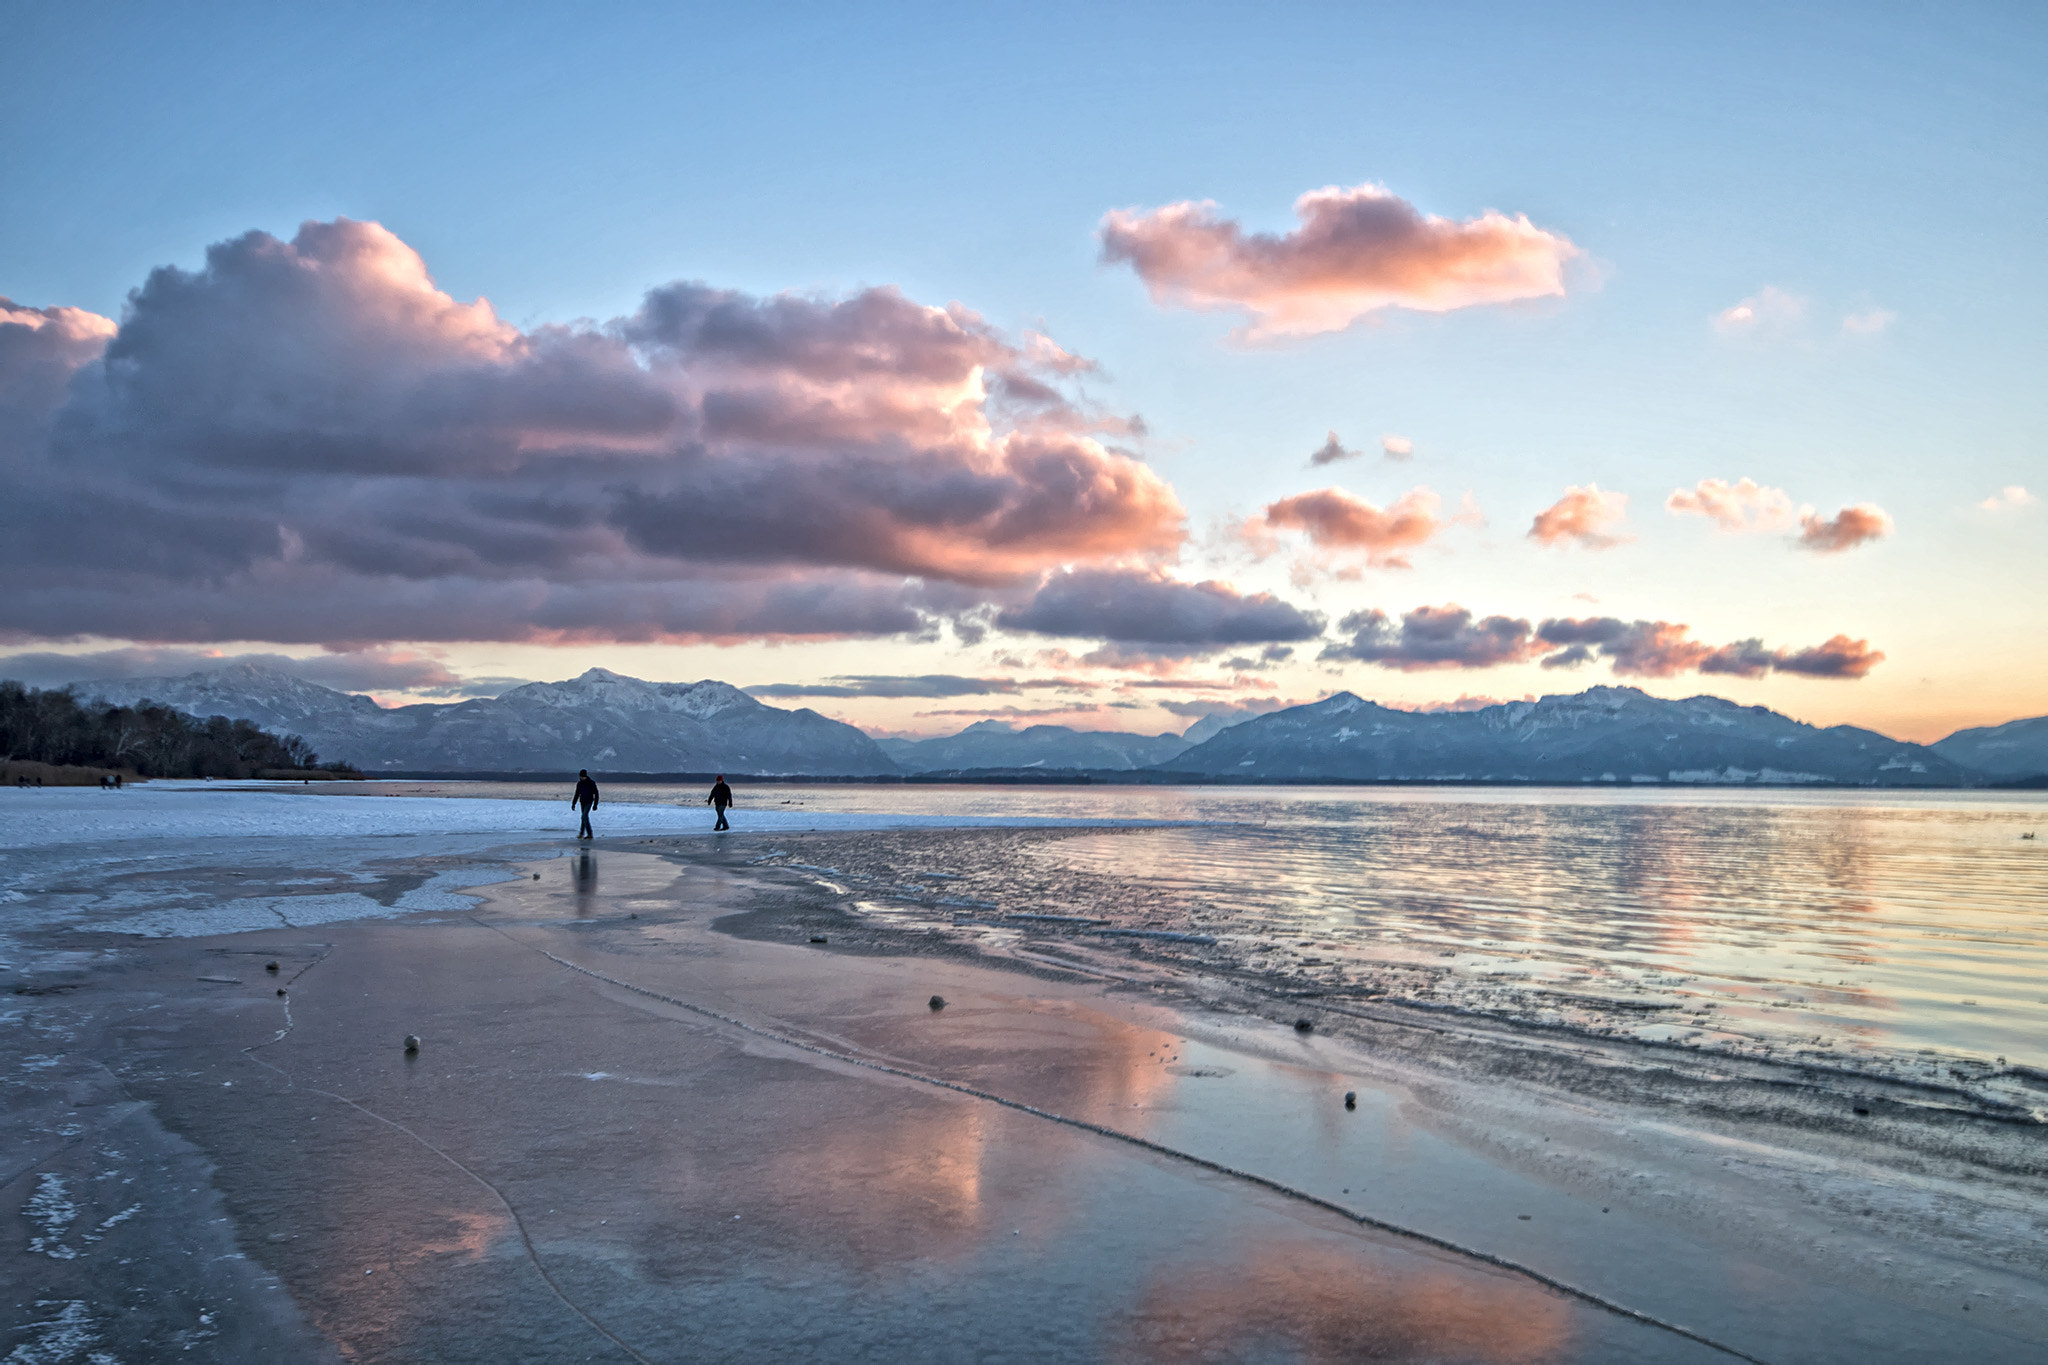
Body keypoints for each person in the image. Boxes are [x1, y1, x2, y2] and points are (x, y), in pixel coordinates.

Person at [572, 769, 600, 839]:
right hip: (582, 801)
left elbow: (596, 794)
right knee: (584, 817)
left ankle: (589, 834)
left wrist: (595, 805)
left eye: (583, 776)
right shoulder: (579, 784)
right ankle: (582, 833)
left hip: (589, 801)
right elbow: (577, 794)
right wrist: (573, 803)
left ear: (585, 776)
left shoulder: (591, 783)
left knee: (584, 816)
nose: (581, 778)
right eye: (580, 776)